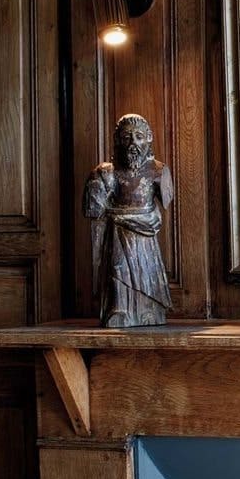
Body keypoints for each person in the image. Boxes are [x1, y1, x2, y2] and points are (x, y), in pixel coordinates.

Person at [83, 114, 174, 328]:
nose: (133, 143)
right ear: (117, 140)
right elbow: (94, 210)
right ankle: (120, 308)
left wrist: (150, 216)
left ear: (149, 138)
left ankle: (149, 308)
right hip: (118, 233)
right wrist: (97, 183)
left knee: (147, 270)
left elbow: (166, 202)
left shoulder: (158, 171)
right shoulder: (107, 172)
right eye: (127, 137)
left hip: (146, 234)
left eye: (139, 136)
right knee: (118, 267)